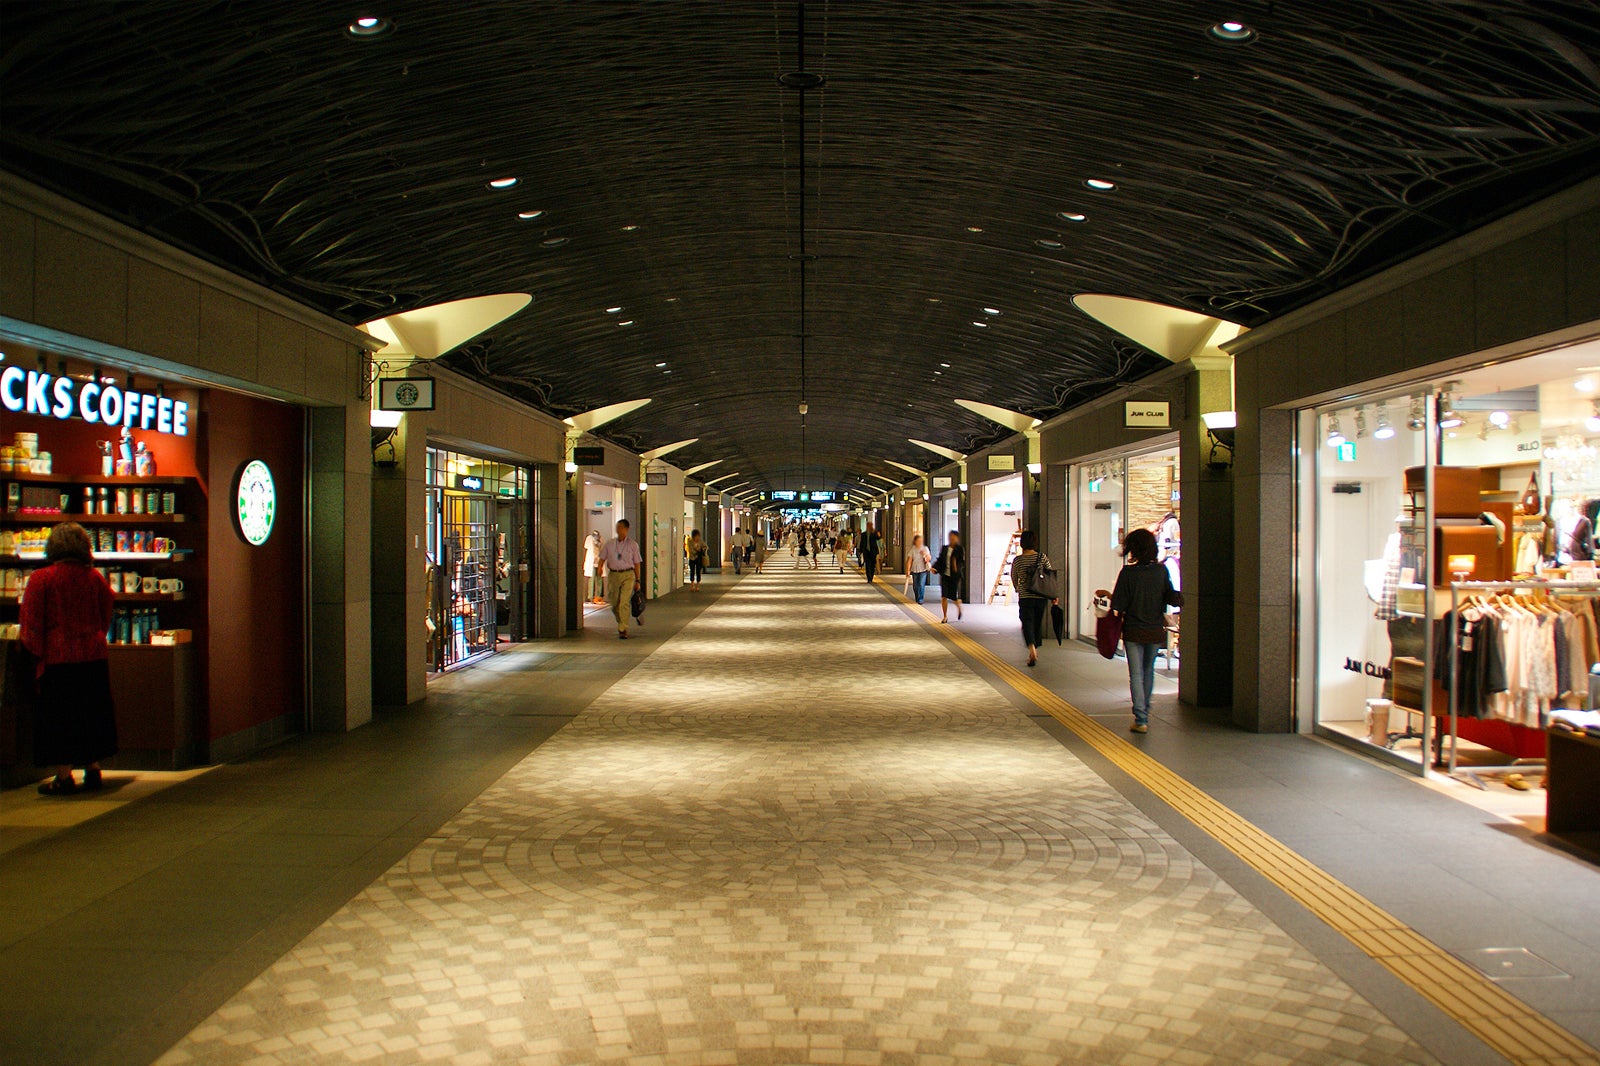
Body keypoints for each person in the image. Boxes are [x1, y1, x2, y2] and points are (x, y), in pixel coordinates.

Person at [19, 522, 117, 795]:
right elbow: (106, 611)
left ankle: (63, 776)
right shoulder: (94, 578)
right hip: (93, 654)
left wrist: (34, 654)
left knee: (59, 717)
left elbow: (31, 622)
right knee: (91, 712)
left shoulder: (42, 579)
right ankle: (93, 767)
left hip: (57, 658)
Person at [1111, 527, 1184, 733]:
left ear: (1133, 549)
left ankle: (1140, 718)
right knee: (1148, 671)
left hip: (1133, 630)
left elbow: (1118, 603)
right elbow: (1169, 595)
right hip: (1154, 630)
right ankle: (1144, 713)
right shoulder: (1161, 571)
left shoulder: (1128, 573)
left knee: (1135, 674)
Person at [1009, 529, 1054, 668]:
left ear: (1022, 543)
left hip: (1026, 596)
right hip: (1040, 596)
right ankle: (1034, 649)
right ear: (1035, 542)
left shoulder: (1018, 560)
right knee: (1037, 623)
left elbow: (1014, 577)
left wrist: (1018, 588)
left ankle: (1032, 650)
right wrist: (1053, 596)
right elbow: (1050, 576)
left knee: (1027, 623)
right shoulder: (1042, 557)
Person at [599, 519, 644, 639]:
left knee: (624, 602)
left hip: (628, 575)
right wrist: (599, 567)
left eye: (621, 528)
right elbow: (602, 558)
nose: (618, 530)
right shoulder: (609, 544)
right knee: (614, 603)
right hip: (613, 575)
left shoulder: (633, 545)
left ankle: (623, 628)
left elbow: (637, 563)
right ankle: (621, 622)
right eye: (617, 527)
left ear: (627, 529)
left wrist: (638, 580)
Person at [935, 530, 966, 623]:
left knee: (952, 596)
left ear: (957, 538)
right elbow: (940, 560)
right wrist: (935, 568)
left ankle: (959, 607)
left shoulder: (959, 549)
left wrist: (956, 565)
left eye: (953, 537)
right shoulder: (945, 548)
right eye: (950, 537)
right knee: (944, 596)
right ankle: (945, 616)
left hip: (954, 576)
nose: (951, 539)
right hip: (945, 575)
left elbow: (962, 562)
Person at [906, 534, 933, 604]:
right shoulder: (913, 550)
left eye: (921, 541)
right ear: (915, 541)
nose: (919, 542)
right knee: (915, 585)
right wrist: (908, 570)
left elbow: (929, 558)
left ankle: (920, 599)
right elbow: (909, 560)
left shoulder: (925, 548)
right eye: (918, 541)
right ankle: (917, 597)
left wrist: (925, 554)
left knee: (921, 584)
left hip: (923, 569)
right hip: (914, 569)